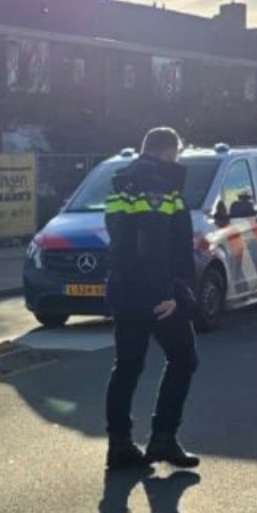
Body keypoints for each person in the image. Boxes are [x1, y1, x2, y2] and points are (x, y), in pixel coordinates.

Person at [103, 127, 200, 470]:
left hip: (123, 288)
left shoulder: (122, 182)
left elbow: (123, 238)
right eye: (176, 155)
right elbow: (154, 242)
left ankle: (120, 445)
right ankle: (163, 439)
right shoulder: (158, 183)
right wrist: (168, 294)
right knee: (184, 358)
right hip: (154, 293)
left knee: (127, 367)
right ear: (167, 152)